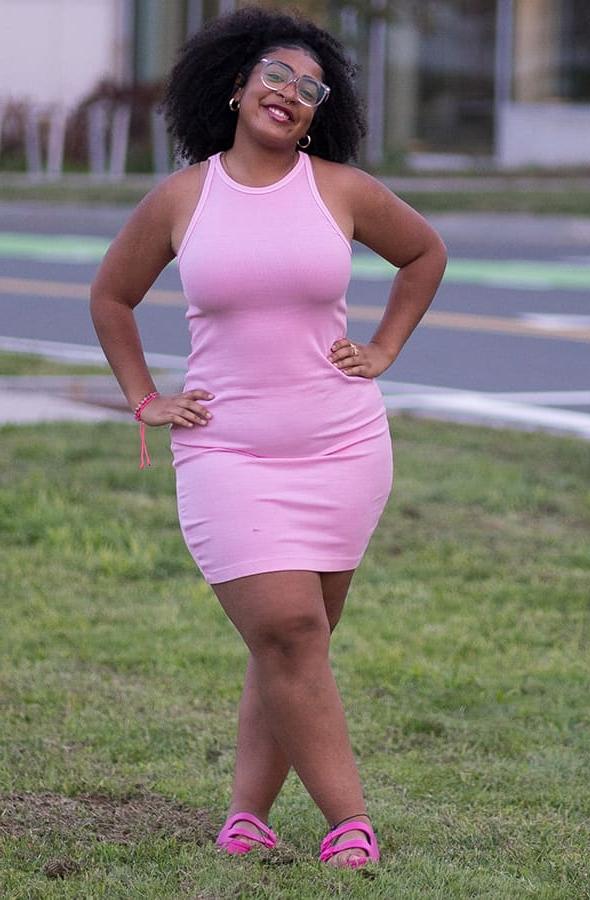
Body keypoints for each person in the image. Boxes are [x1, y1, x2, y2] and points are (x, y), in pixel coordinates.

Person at [90, 6, 446, 870]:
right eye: (275, 77)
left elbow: (425, 254)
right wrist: (145, 399)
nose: (289, 94)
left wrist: (385, 348)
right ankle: (350, 820)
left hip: (342, 447)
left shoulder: (340, 188)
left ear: (321, 110)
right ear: (237, 85)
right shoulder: (183, 198)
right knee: (287, 629)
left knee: (291, 644)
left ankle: (247, 816)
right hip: (227, 452)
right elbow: (112, 297)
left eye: (309, 87)